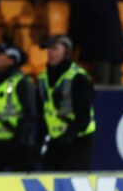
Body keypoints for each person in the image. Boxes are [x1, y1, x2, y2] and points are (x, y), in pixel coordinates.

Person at [0, 43, 38, 172]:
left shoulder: (19, 82)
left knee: (20, 184)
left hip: (16, 142)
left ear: (11, 60)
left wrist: (22, 133)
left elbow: (31, 112)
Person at [37, 35, 96, 171]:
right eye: (48, 49)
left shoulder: (78, 77)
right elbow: (42, 113)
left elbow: (84, 116)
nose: (49, 53)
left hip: (78, 140)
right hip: (55, 139)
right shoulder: (42, 78)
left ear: (66, 52)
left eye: (54, 49)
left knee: (73, 182)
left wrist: (69, 134)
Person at [68, 0, 123, 86]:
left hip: (97, 48)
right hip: (116, 48)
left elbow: (77, 21)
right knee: (117, 89)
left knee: (101, 87)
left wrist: (72, 44)